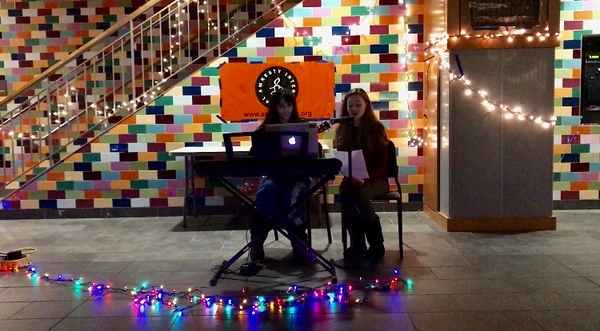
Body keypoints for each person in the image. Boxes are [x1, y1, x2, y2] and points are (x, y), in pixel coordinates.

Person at [249, 89, 312, 265]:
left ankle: (300, 246)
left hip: (298, 176)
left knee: (288, 201)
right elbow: (255, 155)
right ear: (274, 108)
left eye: (289, 105)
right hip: (275, 176)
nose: (285, 110)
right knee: (265, 193)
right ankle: (256, 245)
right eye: (281, 106)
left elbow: (313, 153)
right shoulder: (264, 130)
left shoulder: (303, 127)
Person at [334, 88, 388, 262]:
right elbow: (343, 158)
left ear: (366, 105)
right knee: (344, 193)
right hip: (352, 177)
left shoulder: (376, 128)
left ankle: (376, 244)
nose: (354, 109)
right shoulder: (343, 129)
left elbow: (382, 165)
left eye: (358, 104)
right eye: (350, 105)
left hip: (377, 178)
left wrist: (365, 179)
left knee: (361, 194)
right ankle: (357, 244)